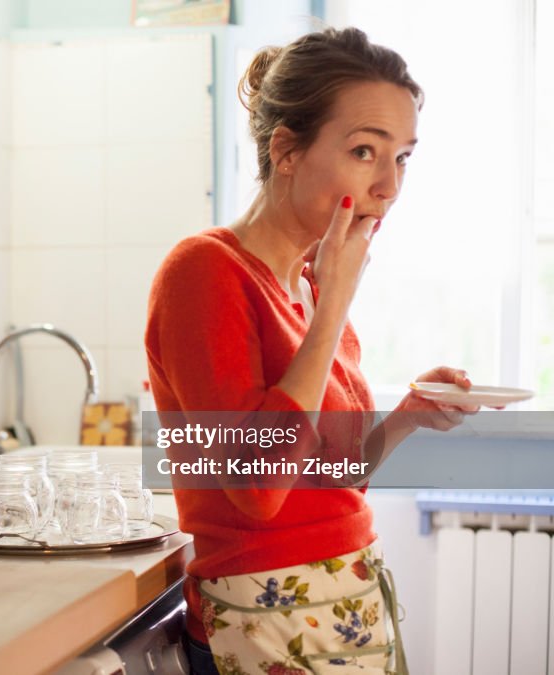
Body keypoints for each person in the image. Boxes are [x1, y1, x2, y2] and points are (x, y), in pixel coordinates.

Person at [145, 27, 478, 675]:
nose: (388, 186)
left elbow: (334, 476)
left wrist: (409, 413)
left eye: (403, 157)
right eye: (364, 151)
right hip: (264, 619)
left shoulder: (313, 282)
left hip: (346, 600)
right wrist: (332, 308)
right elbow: (259, 490)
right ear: (286, 150)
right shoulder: (205, 271)